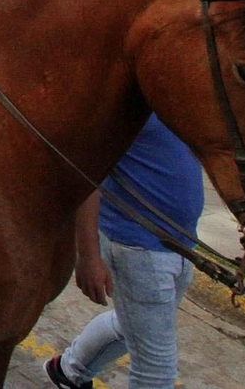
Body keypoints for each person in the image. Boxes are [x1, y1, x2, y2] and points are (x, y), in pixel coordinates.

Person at [45, 115, 203, 389]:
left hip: (181, 243)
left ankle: (68, 370)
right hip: (137, 246)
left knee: (129, 325)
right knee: (157, 368)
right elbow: (88, 175)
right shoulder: (127, 100)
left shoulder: (177, 97)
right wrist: (89, 256)